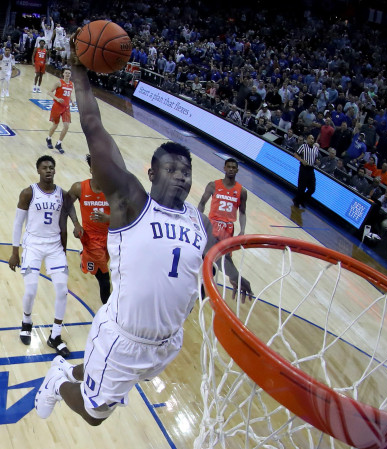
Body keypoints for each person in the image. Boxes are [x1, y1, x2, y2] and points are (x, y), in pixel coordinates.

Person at [34, 39, 253, 424]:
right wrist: (79, 71)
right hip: (123, 334)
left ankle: (80, 374)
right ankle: (55, 379)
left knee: (99, 380)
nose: (181, 176)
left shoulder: (197, 221)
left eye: (186, 171)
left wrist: (236, 275)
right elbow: (92, 126)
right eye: (171, 169)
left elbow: (217, 253)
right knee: (94, 413)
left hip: (167, 343)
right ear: (151, 173)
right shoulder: (131, 200)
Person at [8, 156, 71, 357]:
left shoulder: (61, 194)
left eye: (51, 167)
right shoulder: (28, 193)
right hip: (33, 245)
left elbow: (64, 223)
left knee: (62, 290)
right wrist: (15, 251)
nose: (48, 170)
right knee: (31, 290)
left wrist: (65, 249)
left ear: (55, 170)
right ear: (38, 170)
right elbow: (18, 223)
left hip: (54, 246)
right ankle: (26, 321)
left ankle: (56, 335)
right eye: (44, 167)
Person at [67, 154, 111, 304]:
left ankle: (84, 257)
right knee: (104, 279)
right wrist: (76, 224)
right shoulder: (79, 187)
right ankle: (108, 312)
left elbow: (129, 215)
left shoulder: (114, 190)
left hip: (112, 236)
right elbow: (66, 204)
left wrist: (108, 219)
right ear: (91, 169)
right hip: (92, 239)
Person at [197, 158, 248, 241]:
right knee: (206, 251)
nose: (231, 169)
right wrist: (198, 219)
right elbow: (202, 203)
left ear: (237, 170)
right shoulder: (213, 185)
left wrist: (242, 230)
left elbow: (242, 212)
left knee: (226, 254)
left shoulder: (242, 191)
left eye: (233, 167)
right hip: (212, 224)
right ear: (224, 168)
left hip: (228, 228)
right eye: (229, 167)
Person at [46, 67, 75, 154]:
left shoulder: (71, 84)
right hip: (57, 106)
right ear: (63, 74)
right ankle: (48, 138)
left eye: (69, 73)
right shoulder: (59, 83)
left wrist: (72, 101)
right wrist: (57, 99)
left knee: (66, 126)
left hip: (66, 107)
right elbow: (49, 92)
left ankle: (59, 143)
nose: (67, 74)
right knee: (55, 125)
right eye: (66, 73)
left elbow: (69, 95)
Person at [292, 134, 319, 209]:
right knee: (302, 187)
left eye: (313, 139)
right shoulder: (303, 146)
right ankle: (297, 202)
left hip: (311, 169)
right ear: (307, 139)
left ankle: (300, 199)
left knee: (312, 188)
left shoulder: (316, 149)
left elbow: (315, 158)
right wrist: (301, 160)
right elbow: (295, 154)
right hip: (304, 168)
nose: (311, 140)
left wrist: (317, 161)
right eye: (310, 138)